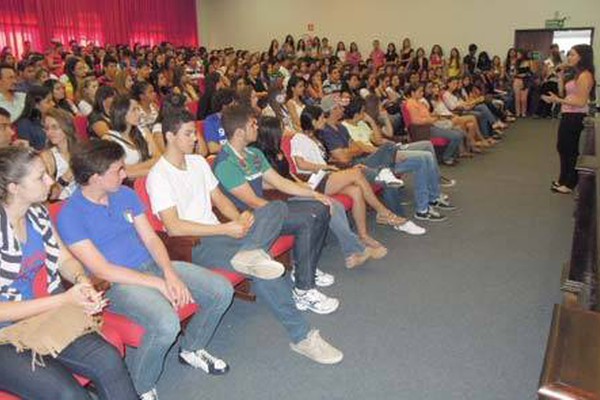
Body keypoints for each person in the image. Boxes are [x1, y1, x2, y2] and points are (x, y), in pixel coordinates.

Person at [147, 109, 343, 364]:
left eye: (194, 132)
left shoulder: (197, 163)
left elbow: (220, 199)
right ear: (170, 136)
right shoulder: (159, 175)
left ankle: (253, 252)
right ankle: (303, 336)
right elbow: (174, 227)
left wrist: (237, 219)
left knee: (276, 208)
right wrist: (225, 228)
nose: (195, 138)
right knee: (265, 269)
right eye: (188, 133)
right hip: (196, 244)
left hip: (223, 233)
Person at [57, 140, 234, 399]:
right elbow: (103, 269)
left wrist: (169, 273)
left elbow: (151, 239)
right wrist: (160, 284)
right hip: (116, 284)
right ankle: (139, 387)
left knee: (221, 290)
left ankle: (191, 349)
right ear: (95, 178)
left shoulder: (125, 195)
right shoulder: (70, 214)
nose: (125, 174)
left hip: (152, 266)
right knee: (165, 323)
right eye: (117, 170)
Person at [0, 146, 138, 400]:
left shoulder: (37, 214)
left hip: (42, 313)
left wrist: (81, 280)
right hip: (5, 334)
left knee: (108, 360)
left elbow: (64, 259)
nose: (51, 181)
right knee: (68, 395)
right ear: (13, 188)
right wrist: (65, 299)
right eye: (40, 177)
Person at [214, 104, 341, 316]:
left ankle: (304, 270)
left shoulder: (253, 153)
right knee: (307, 218)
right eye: (252, 124)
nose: (257, 127)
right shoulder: (225, 163)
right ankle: (303, 290)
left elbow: (279, 182)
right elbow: (253, 202)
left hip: (268, 211)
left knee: (320, 207)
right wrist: (286, 210)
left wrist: (313, 194)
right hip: (253, 221)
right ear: (238, 132)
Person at [542, 44, 595, 194]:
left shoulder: (585, 75)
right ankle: (562, 179)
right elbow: (562, 92)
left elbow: (581, 102)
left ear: (582, 57)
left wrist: (558, 101)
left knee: (570, 149)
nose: (569, 58)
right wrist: (560, 76)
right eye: (569, 55)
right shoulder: (575, 73)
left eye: (572, 55)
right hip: (568, 113)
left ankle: (570, 183)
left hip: (576, 115)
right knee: (562, 147)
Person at [105, 95, 161, 178]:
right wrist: (151, 169)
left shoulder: (142, 129)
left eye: (138, 109)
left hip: (149, 176)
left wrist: (132, 168)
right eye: (134, 110)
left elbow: (158, 157)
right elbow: (121, 174)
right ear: (122, 113)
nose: (139, 113)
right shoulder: (109, 139)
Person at [40, 108, 78, 200]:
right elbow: (52, 196)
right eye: (47, 128)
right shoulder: (47, 157)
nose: (49, 133)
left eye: (54, 127)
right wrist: (67, 176)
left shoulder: (80, 150)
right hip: (63, 204)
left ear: (67, 127)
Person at [16, 85, 54, 150]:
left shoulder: (51, 118)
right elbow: (26, 151)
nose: (53, 104)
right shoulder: (24, 124)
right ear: (36, 104)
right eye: (48, 102)